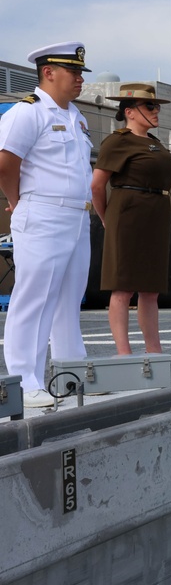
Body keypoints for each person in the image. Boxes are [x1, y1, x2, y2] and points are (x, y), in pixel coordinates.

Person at [0, 42, 93, 409]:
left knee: (69, 300)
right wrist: (16, 199)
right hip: (41, 212)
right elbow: (6, 162)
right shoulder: (28, 113)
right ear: (49, 72)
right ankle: (25, 381)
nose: (80, 79)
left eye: (82, 72)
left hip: (76, 215)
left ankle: (71, 375)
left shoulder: (77, 117)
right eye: (74, 72)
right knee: (34, 299)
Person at [91, 83, 171, 357]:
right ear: (129, 111)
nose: (156, 111)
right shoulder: (118, 141)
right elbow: (96, 186)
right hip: (127, 213)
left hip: (155, 213)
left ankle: (155, 354)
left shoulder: (156, 142)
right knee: (123, 287)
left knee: (150, 289)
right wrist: (107, 219)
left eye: (157, 106)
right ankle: (124, 355)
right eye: (150, 106)